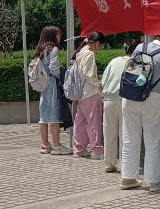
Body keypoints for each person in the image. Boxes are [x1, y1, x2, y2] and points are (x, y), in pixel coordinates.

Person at [121, 35, 160, 192]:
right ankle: (154, 182)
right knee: (152, 139)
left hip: (129, 94)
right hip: (151, 97)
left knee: (129, 137)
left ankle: (128, 178)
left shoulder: (140, 47)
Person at [100, 40, 136, 173]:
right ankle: (124, 165)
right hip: (125, 101)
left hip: (108, 100)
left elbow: (103, 81)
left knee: (109, 133)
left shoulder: (113, 61)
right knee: (124, 134)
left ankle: (109, 164)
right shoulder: (134, 63)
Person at [34, 26, 70, 155]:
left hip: (43, 86)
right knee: (54, 116)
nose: (60, 37)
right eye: (58, 34)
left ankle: (45, 145)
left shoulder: (40, 50)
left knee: (44, 117)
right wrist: (63, 75)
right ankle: (56, 145)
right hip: (52, 85)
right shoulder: (53, 49)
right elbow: (54, 69)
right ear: (52, 36)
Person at [72, 32, 105, 160]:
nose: (100, 48)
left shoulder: (80, 52)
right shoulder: (90, 54)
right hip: (91, 92)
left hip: (81, 93)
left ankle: (79, 149)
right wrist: (99, 85)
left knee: (80, 122)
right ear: (97, 43)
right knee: (94, 122)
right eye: (101, 45)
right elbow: (90, 75)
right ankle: (96, 150)